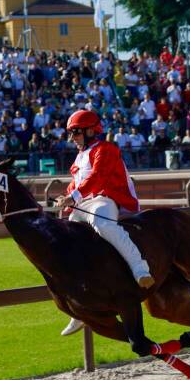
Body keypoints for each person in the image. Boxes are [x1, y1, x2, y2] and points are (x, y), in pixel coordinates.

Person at [55, 109, 154, 336]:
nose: (73, 138)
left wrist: (73, 197)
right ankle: (78, 312)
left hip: (108, 199)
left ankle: (141, 270)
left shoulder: (106, 149)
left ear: (91, 130)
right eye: (71, 133)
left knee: (103, 224)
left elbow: (97, 177)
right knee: (67, 242)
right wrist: (66, 197)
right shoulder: (80, 156)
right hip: (84, 203)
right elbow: (76, 184)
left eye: (76, 132)